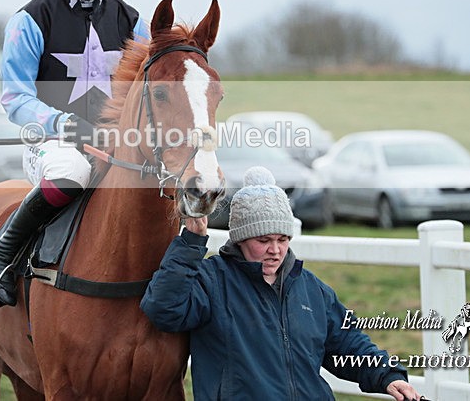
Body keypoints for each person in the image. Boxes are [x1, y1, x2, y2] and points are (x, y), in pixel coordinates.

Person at [0, 0, 150, 307]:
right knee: (72, 172)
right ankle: (2, 254)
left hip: (115, 142)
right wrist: (69, 126)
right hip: (53, 143)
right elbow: (16, 98)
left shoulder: (133, 21)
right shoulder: (31, 19)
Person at [141, 166, 424, 401]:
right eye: (263, 240)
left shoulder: (311, 289)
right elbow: (163, 308)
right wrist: (193, 240)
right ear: (240, 239)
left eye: (282, 240)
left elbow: (349, 343)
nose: (275, 250)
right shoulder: (211, 280)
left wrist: (387, 375)